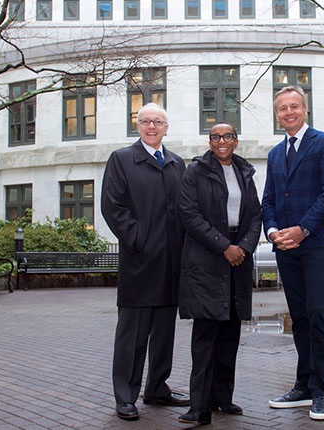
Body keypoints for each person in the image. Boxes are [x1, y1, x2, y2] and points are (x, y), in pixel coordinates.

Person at [100, 103, 190, 421]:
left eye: (158, 122)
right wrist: (140, 240)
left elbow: (186, 211)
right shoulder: (122, 160)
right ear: (137, 125)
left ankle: (157, 388)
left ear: (167, 127)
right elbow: (113, 208)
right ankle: (125, 395)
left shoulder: (178, 164)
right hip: (139, 263)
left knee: (164, 333)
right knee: (132, 335)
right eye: (145, 121)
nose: (152, 126)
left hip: (171, 265)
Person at [261, 86, 324, 421]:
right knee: (300, 316)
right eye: (283, 108)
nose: (289, 112)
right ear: (277, 114)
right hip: (286, 248)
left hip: (317, 244)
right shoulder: (275, 154)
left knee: (318, 313)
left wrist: (302, 229)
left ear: (305, 110)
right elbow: (268, 199)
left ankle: (321, 390)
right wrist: (273, 230)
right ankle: (303, 385)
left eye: (294, 106)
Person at [176, 123, 262, 425]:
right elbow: (188, 214)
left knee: (230, 335)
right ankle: (198, 407)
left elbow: (255, 216)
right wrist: (224, 246)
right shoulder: (196, 171)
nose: (221, 141)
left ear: (236, 140)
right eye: (215, 137)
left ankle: (222, 399)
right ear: (209, 142)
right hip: (207, 259)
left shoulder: (245, 172)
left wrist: (245, 247)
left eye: (227, 136)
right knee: (205, 337)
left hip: (238, 259)